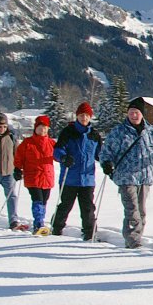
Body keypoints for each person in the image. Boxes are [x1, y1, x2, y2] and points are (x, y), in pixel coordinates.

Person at [97, 100, 153, 249]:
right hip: (125, 177)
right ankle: (133, 241)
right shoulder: (119, 132)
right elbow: (106, 151)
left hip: (145, 178)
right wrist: (107, 163)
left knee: (141, 212)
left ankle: (136, 237)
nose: (134, 115)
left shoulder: (151, 131)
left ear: (142, 114)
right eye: (131, 112)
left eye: (137, 112)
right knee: (132, 210)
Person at [51, 102, 103, 240]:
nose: (84, 118)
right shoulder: (68, 132)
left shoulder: (94, 135)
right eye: (81, 115)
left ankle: (90, 233)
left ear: (90, 117)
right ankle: (56, 228)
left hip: (87, 178)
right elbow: (57, 150)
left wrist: (107, 161)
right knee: (66, 206)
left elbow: (100, 154)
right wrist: (63, 157)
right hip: (69, 177)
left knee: (88, 208)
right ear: (77, 116)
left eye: (86, 115)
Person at [14, 115, 56, 232]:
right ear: (35, 128)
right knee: (37, 199)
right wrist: (17, 168)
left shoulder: (51, 143)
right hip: (33, 176)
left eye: (45, 128)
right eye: (40, 127)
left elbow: (58, 156)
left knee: (44, 201)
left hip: (47, 177)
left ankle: (40, 220)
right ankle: (39, 222)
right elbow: (19, 157)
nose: (42, 130)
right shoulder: (27, 143)